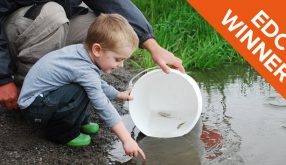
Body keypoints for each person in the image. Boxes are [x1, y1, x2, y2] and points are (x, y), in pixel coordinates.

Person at [0, 0, 185, 110]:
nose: (120, 64)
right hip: (15, 26)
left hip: (54, 18)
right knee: (53, 15)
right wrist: (3, 79)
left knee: (104, 30)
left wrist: (152, 45)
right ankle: (30, 97)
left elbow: (115, 3)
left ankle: (73, 89)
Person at [18, 13, 146, 159]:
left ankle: (79, 121)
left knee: (84, 87)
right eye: (118, 59)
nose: (121, 65)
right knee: (80, 90)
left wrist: (117, 94)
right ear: (97, 50)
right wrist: (127, 139)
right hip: (34, 107)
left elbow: (96, 83)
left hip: (44, 98)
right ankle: (62, 134)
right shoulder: (83, 68)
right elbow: (102, 104)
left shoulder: (82, 53)